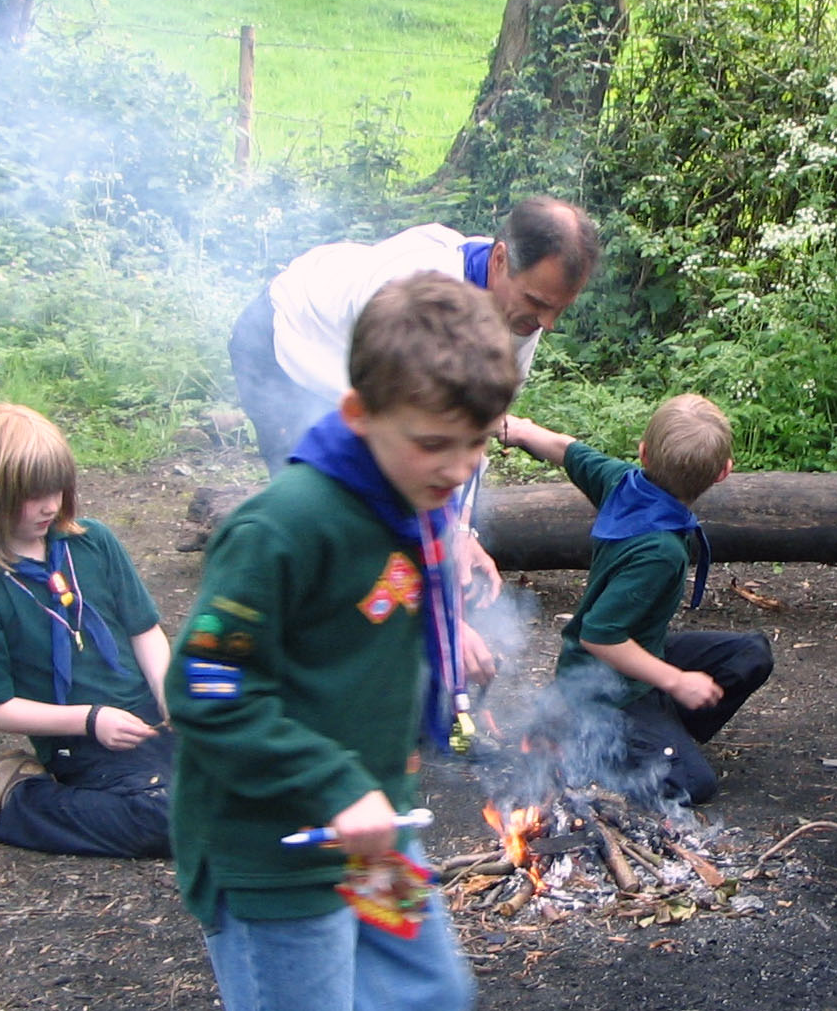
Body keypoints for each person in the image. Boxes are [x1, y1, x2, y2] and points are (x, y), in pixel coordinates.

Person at [158, 272, 517, 1011]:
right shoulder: (287, 525)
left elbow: (363, 631)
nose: (456, 466)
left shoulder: (409, 507)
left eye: (476, 444)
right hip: (279, 859)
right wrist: (331, 780)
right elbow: (204, 686)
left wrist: (445, 651)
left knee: (423, 1010)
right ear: (357, 410)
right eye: (434, 443)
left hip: (372, 842)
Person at [230, 195, 599, 685]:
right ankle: (302, 670)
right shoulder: (409, 286)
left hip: (368, 395)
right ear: (501, 258)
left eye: (559, 310)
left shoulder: (516, 319)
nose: (547, 324)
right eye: (537, 303)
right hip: (291, 343)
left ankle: (378, 673)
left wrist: (463, 531)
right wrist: (445, 617)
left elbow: (476, 423)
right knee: (330, 524)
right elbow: (391, 455)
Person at [502, 395, 774, 806]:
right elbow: (599, 635)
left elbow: (565, 448)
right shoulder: (658, 552)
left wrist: (516, 429)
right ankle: (593, 747)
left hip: (642, 659)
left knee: (751, 653)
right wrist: (676, 680)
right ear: (724, 472)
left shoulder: (622, 480)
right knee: (694, 784)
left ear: (643, 452)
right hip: (602, 690)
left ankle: (663, 732)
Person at [0, 403, 173, 858]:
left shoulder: (92, 541)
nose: (51, 506)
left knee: (234, 783)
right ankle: (12, 800)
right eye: (33, 495)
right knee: (167, 820)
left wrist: (169, 695)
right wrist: (89, 720)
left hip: (149, 715)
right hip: (82, 743)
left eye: (58, 488)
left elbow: (144, 630)